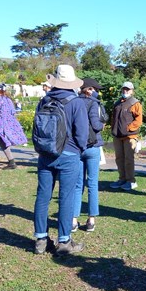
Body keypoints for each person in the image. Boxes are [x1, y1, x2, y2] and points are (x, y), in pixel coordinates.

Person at [33, 65, 89, 256]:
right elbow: (82, 133)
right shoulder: (76, 102)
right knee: (66, 197)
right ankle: (64, 241)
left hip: (45, 154)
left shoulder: (44, 99)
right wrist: (80, 149)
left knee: (43, 197)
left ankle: (41, 240)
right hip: (69, 155)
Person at [72, 78, 105, 233]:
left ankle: (73, 219)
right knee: (93, 184)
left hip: (77, 147)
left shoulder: (73, 102)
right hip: (93, 146)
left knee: (78, 185)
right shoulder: (94, 103)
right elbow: (96, 125)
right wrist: (102, 125)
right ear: (90, 89)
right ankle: (91, 219)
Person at [109, 82, 143, 191]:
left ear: (132, 91)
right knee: (119, 159)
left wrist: (129, 129)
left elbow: (138, 120)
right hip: (117, 136)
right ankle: (122, 179)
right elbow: (113, 118)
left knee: (129, 159)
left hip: (130, 136)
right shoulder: (117, 103)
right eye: (124, 89)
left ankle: (131, 181)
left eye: (127, 89)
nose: (125, 91)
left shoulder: (135, 103)